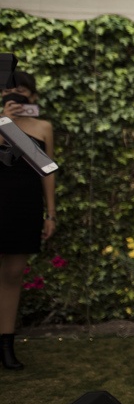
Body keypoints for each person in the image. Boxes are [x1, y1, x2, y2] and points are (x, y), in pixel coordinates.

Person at [0, 70, 56, 371]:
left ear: (32, 97)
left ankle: (6, 344)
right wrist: (4, 121)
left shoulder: (43, 127)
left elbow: (47, 172)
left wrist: (51, 213)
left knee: (12, 276)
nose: (16, 96)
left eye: (22, 91)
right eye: (10, 91)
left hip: (24, 205)